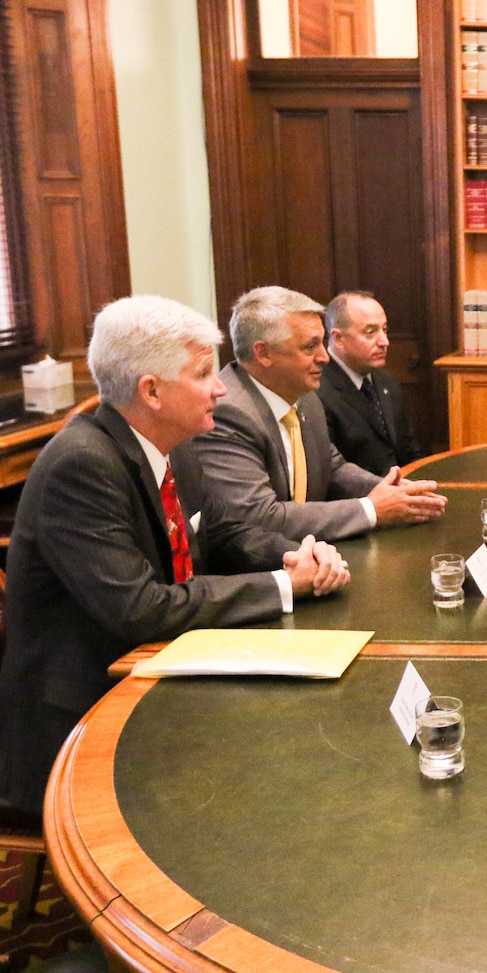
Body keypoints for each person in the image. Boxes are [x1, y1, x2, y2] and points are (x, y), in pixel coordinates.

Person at [0, 296, 351, 818]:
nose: (219, 388)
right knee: (266, 790)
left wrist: (296, 557)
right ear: (152, 392)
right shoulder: (82, 467)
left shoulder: (174, 442)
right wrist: (282, 587)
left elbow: (224, 533)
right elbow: (141, 608)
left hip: (160, 673)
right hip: (85, 718)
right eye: (204, 373)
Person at [194, 286, 447, 541]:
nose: (325, 357)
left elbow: (332, 466)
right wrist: (371, 509)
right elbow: (259, 517)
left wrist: (389, 491)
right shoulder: (226, 412)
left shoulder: (305, 396)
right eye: (310, 346)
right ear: (264, 353)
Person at [317, 291, 424, 475]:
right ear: (338, 338)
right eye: (370, 332)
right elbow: (332, 473)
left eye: (385, 329)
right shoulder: (317, 390)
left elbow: (409, 450)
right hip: (360, 499)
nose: (385, 341)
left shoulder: (387, 382)